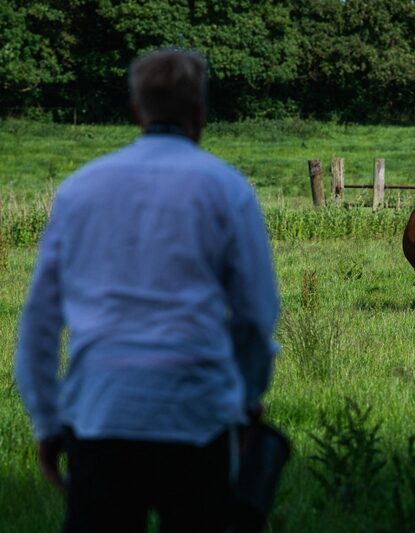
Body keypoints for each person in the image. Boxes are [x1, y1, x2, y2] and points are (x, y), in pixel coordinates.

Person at [14, 49, 281, 532]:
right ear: (200, 112)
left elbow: (39, 321)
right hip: (196, 415)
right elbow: (255, 315)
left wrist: (48, 420)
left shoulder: (79, 190)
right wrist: (246, 399)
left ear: (136, 111)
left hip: (101, 413)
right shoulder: (227, 189)